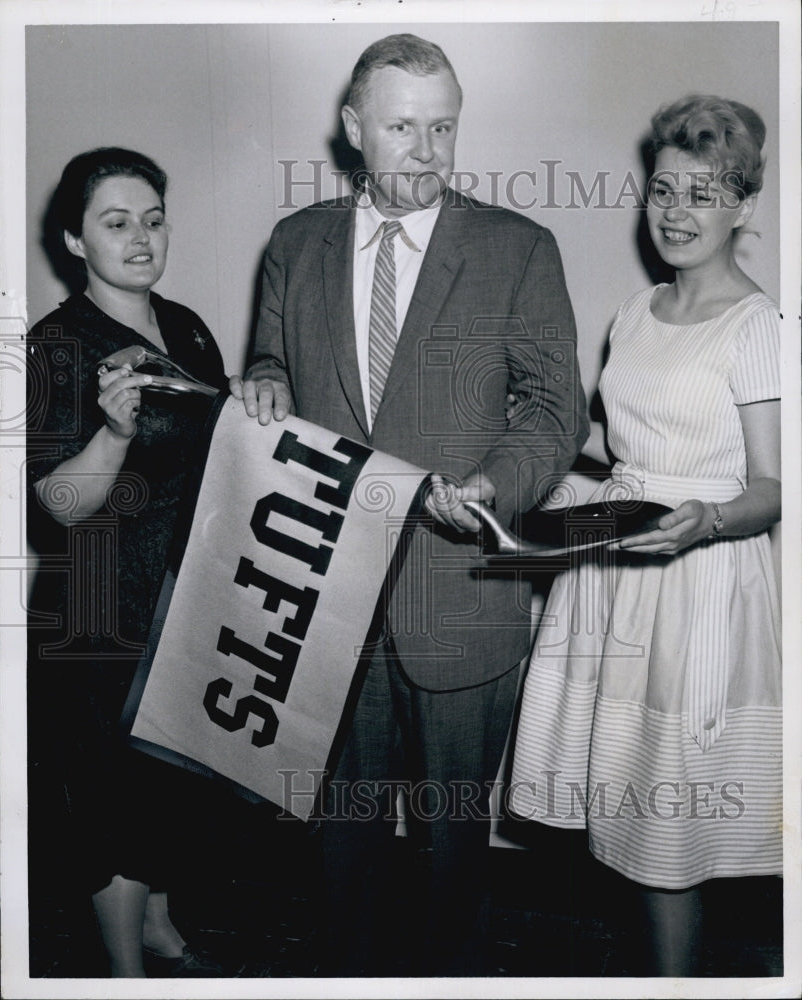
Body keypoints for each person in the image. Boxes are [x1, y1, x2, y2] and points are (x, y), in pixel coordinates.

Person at [231, 33, 588, 976]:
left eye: (442, 128)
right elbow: (272, 359)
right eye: (401, 127)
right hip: (327, 595)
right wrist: (263, 377)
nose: (427, 151)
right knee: (337, 843)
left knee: (453, 852)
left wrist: (494, 485)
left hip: (460, 590)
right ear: (353, 129)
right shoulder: (294, 244)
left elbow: (556, 409)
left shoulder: (518, 248)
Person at [508, 95, 782, 976]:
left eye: (702, 193)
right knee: (622, 804)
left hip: (697, 581)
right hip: (614, 562)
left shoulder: (761, 329)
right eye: (663, 190)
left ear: (742, 206)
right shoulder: (634, 311)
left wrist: (704, 520)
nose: (674, 212)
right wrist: (531, 427)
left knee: (670, 826)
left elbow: (773, 489)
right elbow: (620, 447)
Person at [26, 148, 231, 977]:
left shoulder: (184, 326)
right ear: (75, 240)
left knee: (165, 776)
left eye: (152, 218)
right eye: (115, 223)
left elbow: (221, 450)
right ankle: (125, 974)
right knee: (110, 794)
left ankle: (158, 923)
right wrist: (112, 434)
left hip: (180, 593)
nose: (140, 237)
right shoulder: (54, 347)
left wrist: (260, 393)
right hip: (101, 605)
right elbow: (58, 507)